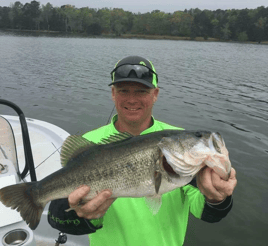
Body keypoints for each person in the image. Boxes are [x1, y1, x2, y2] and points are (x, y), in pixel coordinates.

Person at [48, 56, 237, 246]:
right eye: (123, 91)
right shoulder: (90, 144)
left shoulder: (180, 149)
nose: (132, 99)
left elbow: (207, 213)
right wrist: (86, 215)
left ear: (155, 94)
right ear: (113, 93)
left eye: (141, 91)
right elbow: (57, 219)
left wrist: (217, 198)